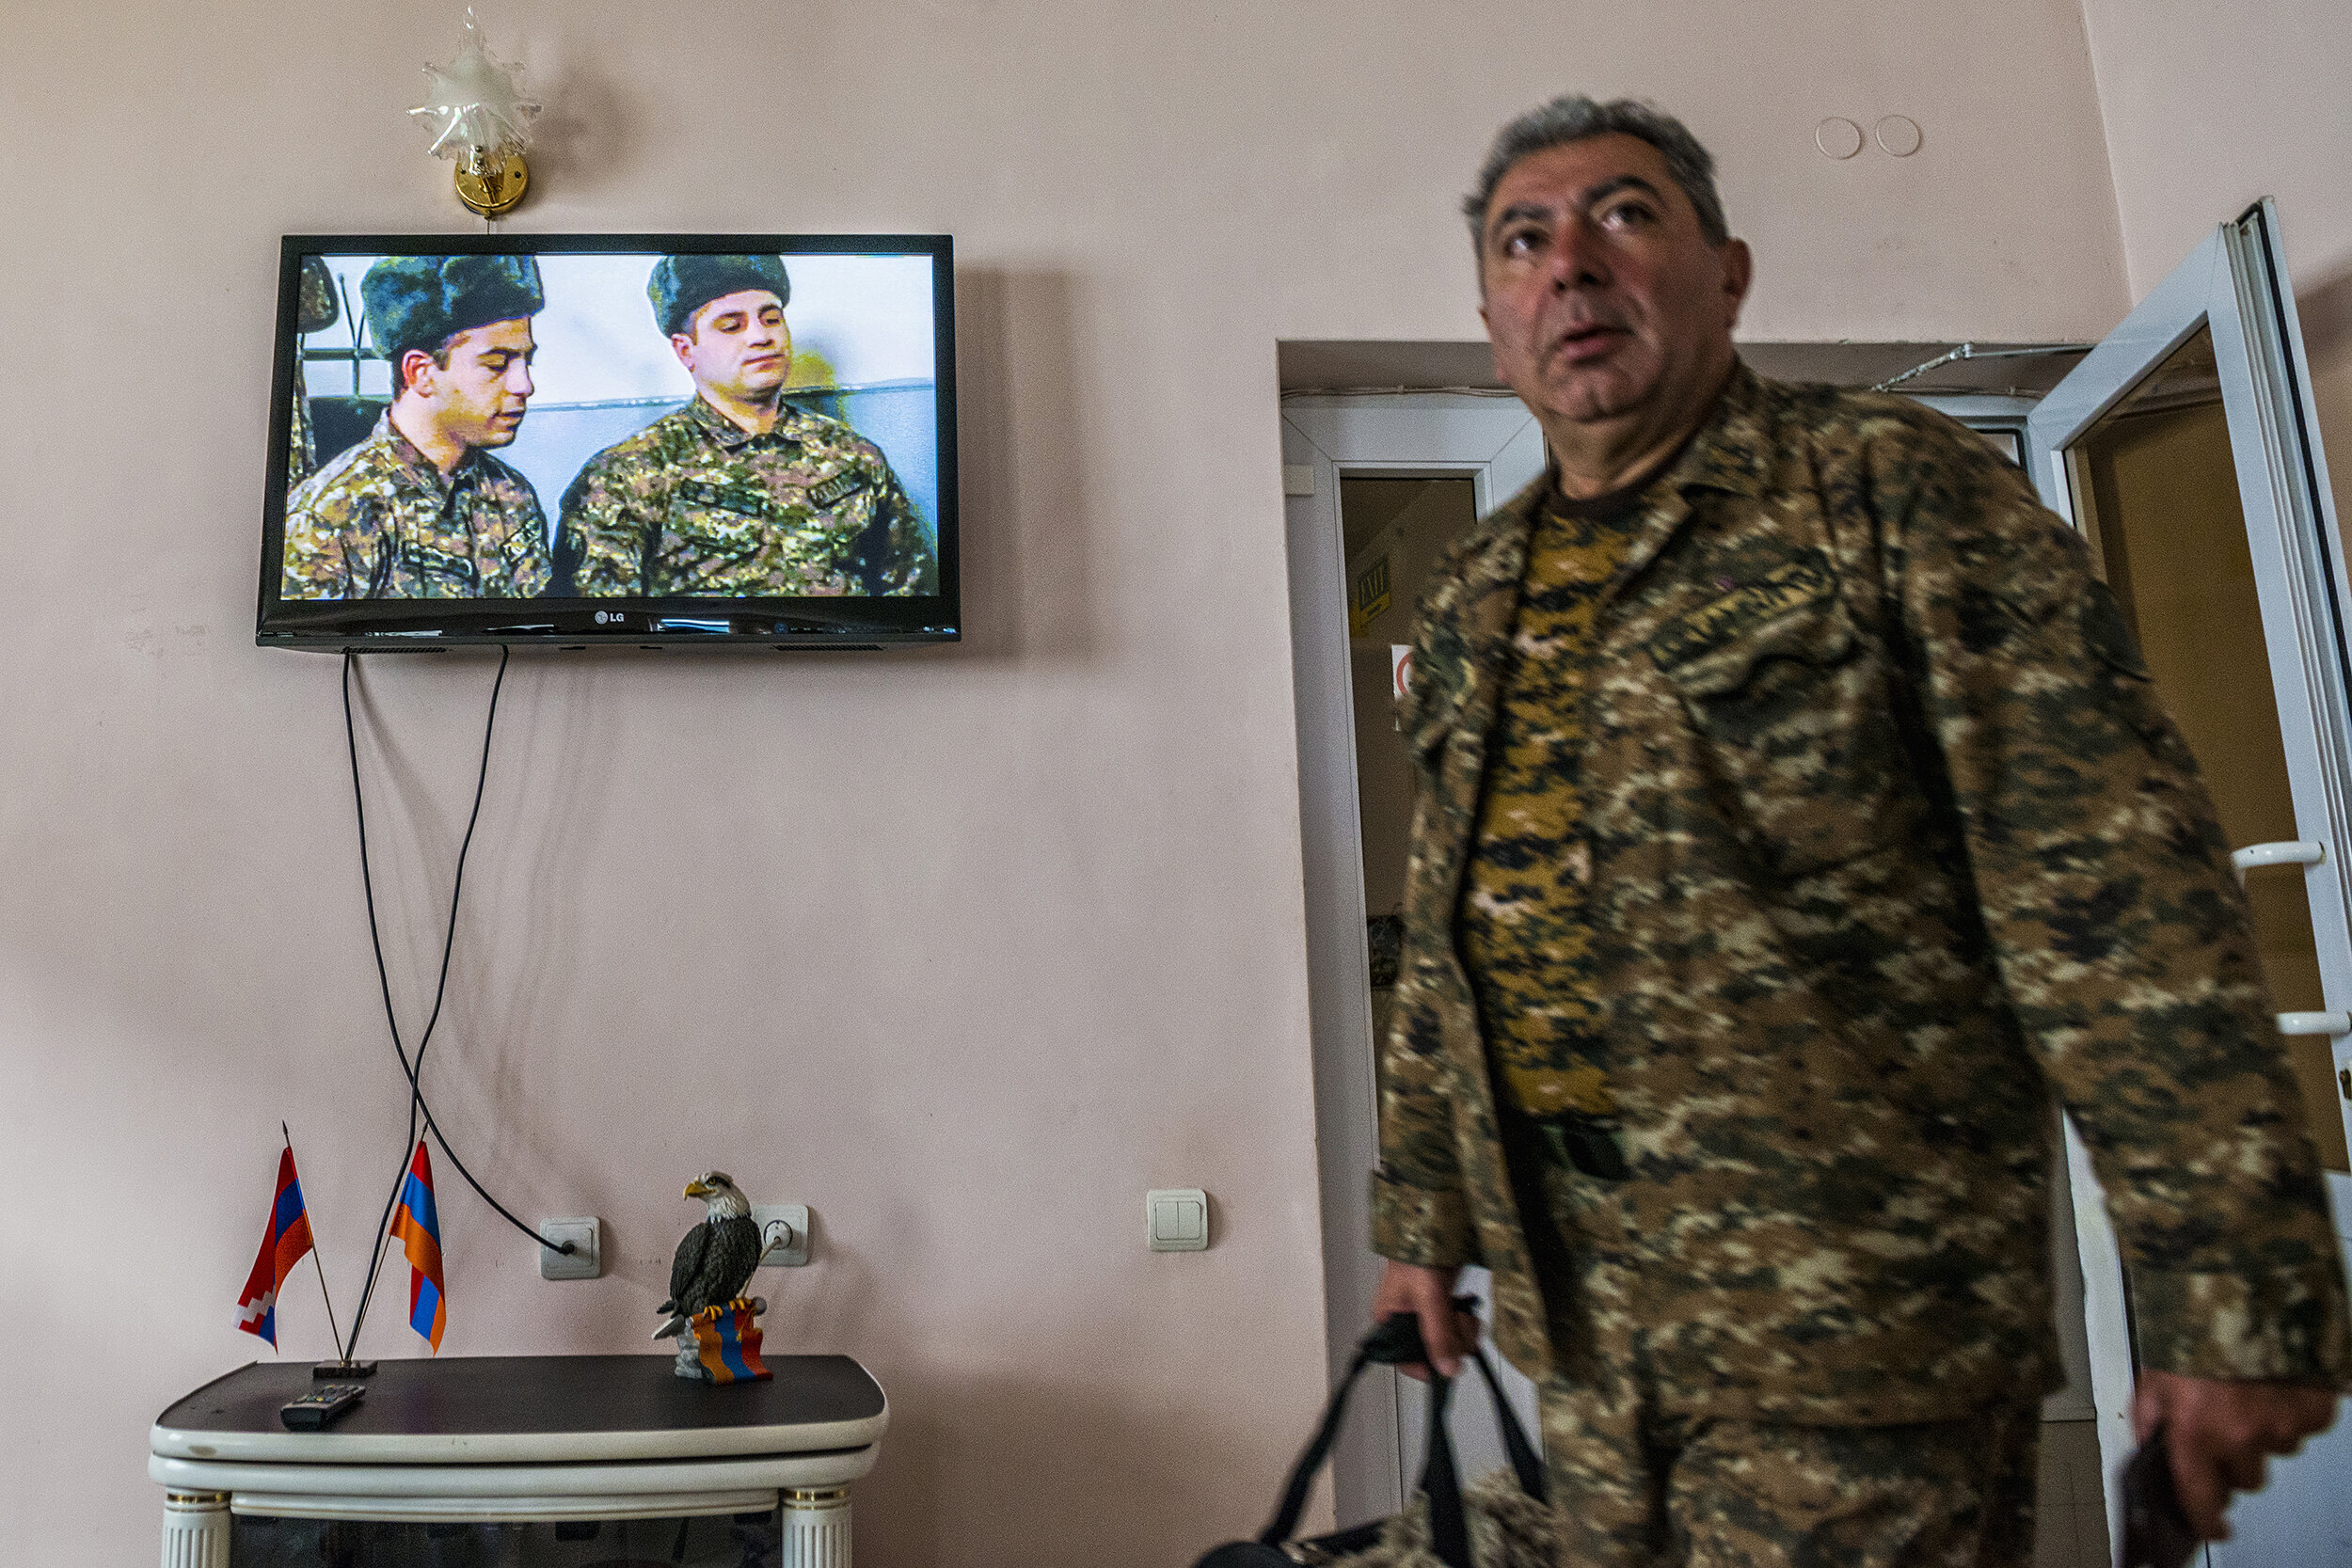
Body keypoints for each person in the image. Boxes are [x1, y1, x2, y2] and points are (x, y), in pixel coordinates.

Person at [1369, 94, 2348, 1567]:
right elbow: (1459, 936)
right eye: (1524, 239)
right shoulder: (1474, 596)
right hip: (1585, 1320)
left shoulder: (1888, 494)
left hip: (1862, 1332)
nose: (1570, 262)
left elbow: (2113, 887)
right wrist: (1421, 1216)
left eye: (1625, 214)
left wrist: (2231, 1285)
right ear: (1495, 316)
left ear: (1730, 272)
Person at [554, 253, 933, 598]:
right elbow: (601, 626)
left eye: (771, 319)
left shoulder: (854, 457)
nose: (761, 336)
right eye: (732, 326)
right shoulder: (627, 473)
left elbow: (913, 600)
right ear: (686, 351)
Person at [281, 254, 551, 600]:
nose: (524, 385)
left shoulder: (512, 494)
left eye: (526, 361)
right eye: (497, 364)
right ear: (420, 373)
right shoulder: (327, 516)